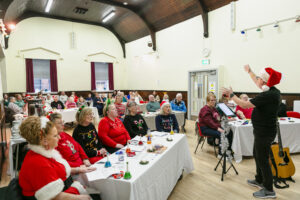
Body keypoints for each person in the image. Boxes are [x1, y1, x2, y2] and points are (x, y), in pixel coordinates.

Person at [222, 65, 282, 199]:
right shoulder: (272, 91)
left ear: (265, 81)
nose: (257, 80)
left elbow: (244, 105)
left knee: (263, 159)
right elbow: (257, 80)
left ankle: (268, 189)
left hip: (265, 132)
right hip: (262, 131)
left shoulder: (269, 95)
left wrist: (231, 95)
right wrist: (250, 72)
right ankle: (259, 180)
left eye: (260, 78)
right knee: (257, 154)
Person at [18, 116, 91, 199]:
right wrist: (80, 197)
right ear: (45, 140)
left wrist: (78, 169)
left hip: (67, 189)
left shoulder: (45, 152)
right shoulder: (38, 163)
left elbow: (57, 169)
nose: (59, 138)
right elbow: (53, 197)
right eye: (55, 136)